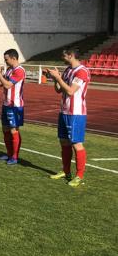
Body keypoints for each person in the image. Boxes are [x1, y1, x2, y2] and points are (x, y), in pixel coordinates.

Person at [44, 48, 91, 187]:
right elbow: (59, 89)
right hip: (64, 112)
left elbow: (70, 91)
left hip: (76, 113)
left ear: (71, 56)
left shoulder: (82, 71)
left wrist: (58, 78)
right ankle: (66, 171)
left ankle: (79, 175)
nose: (62, 57)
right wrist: (55, 79)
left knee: (76, 144)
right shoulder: (68, 70)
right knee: (64, 142)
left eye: (64, 55)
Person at [0, 49, 25, 165]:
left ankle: (14, 157)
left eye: (6, 59)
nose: (5, 61)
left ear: (13, 58)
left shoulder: (20, 71)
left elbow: (8, 85)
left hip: (14, 106)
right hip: (6, 104)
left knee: (13, 130)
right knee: (5, 129)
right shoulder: (10, 70)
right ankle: (9, 153)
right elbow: (1, 83)